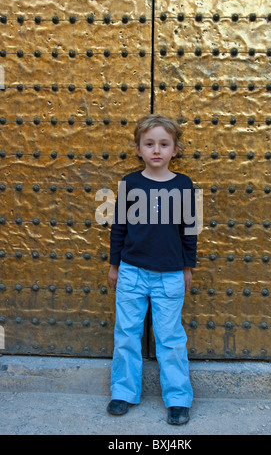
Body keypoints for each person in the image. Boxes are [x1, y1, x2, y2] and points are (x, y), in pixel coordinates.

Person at [107, 114, 197, 425]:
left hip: (170, 274)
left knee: (170, 338)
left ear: (175, 150)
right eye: (149, 144)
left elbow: (190, 229)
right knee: (127, 334)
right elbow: (119, 226)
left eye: (164, 144)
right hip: (131, 271)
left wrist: (187, 267)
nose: (156, 150)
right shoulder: (130, 183)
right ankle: (123, 391)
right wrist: (114, 264)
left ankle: (178, 398)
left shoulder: (184, 185)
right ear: (138, 149)